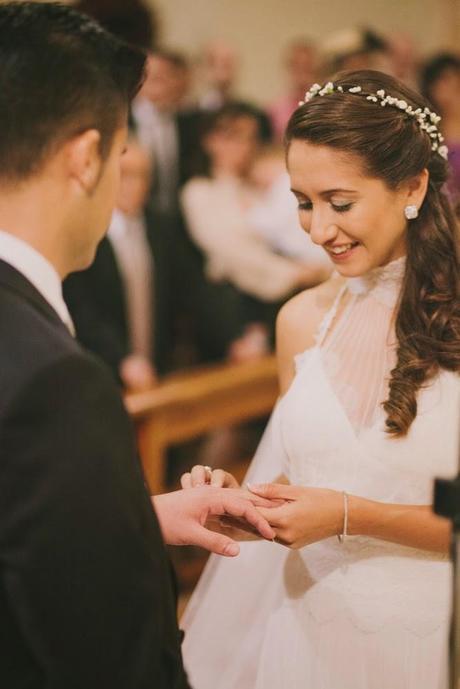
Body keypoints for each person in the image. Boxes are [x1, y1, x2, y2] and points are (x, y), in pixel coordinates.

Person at [0, 4, 276, 688]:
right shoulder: (56, 381)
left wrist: (132, 519)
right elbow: (109, 659)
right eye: (122, 149)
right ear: (87, 157)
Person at [180, 70, 460, 689]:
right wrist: (244, 504)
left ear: (412, 186)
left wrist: (347, 516)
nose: (317, 229)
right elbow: (306, 477)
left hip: (429, 637)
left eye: (340, 202)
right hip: (305, 630)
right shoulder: (300, 321)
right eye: (303, 203)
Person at [181, 103, 323, 363]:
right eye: (234, 136)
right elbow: (231, 252)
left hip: (280, 303)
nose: (244, 146)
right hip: (234, 311)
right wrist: (293, 273)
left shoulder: (262, 188)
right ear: (211, 140)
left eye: (250, 137)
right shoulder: (200, 192)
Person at [64, 139, 159, 390]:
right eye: (126, 175)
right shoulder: (87, 233)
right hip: (102, 369)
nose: (134, 185)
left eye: (142, 176)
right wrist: (122, 358)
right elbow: (81, 308)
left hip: (155, 366)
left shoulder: (161, 228)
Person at [421, 53, 460, 209]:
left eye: (455, 79)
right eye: (444, 80)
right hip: (433, 210)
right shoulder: (424, 127)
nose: (451, 86)